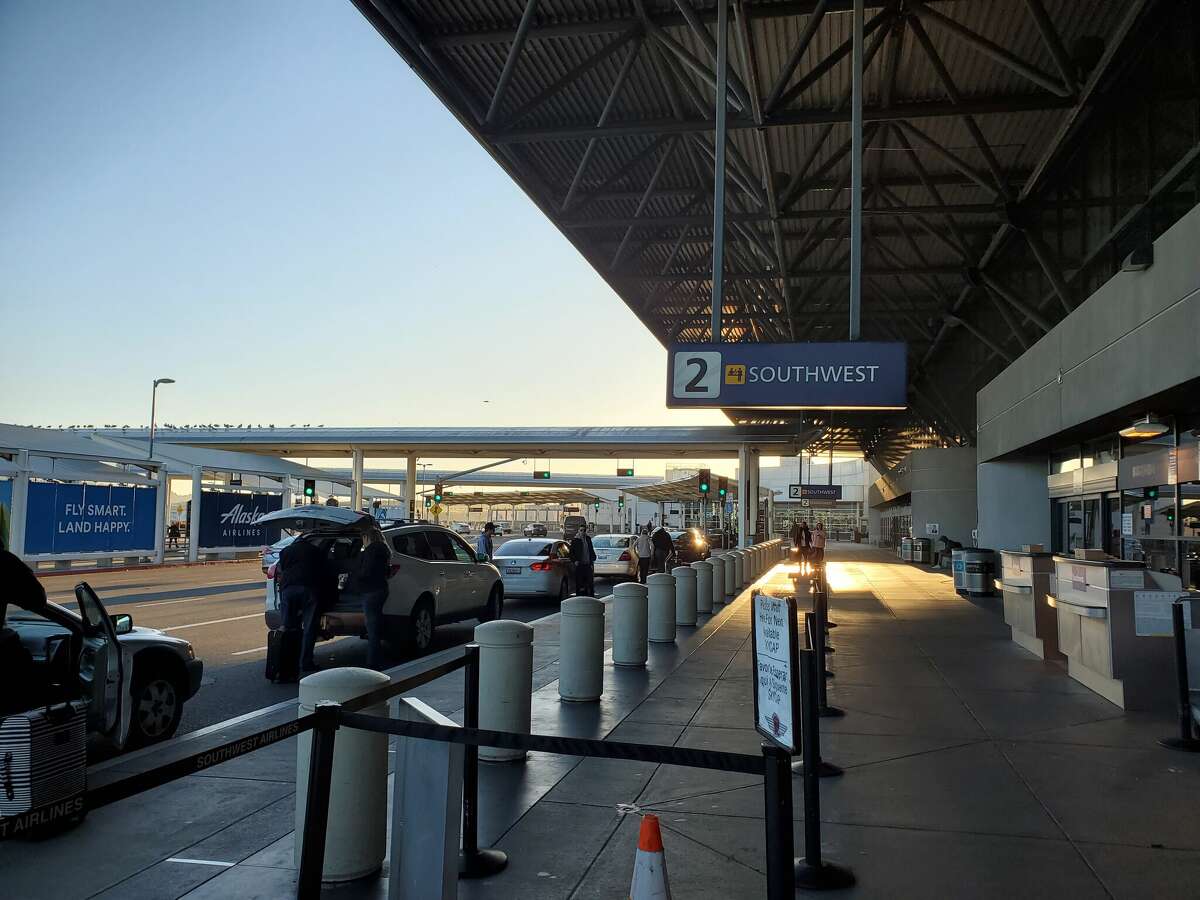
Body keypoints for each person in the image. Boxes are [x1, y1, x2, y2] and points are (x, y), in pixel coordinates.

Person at [277, 534, 325, 675]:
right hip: (308, 589)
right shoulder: (315, 551)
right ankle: (306, 662)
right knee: (310, 627)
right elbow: (322, 570)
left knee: (288, 626)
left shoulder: (285, 551)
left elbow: (283, 568)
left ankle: (286, 662)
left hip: (288, 589)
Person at [345, 527, 392, 669]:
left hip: (369, 591)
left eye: (363, 539)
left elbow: (365, 572)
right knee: (374, 623)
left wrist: (353, 580)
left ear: (368, 538)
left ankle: (373, 662)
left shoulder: (370, 552)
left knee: (372, 627)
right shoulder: (385, 551)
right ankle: (375, 658)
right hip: (380, 589)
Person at [571, 522, 597, 596]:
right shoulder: (575, 540)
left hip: (588, 564)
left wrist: (592, 559)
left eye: (584, 530)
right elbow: (571, 553)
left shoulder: (588, 539)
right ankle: (579, 595)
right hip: (580, 565)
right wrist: (575, 560)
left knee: (590, 582)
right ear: (578, 531)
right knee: (579, 582)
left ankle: (591, 596)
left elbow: (591, 550)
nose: (582, 532)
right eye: (581, 530)